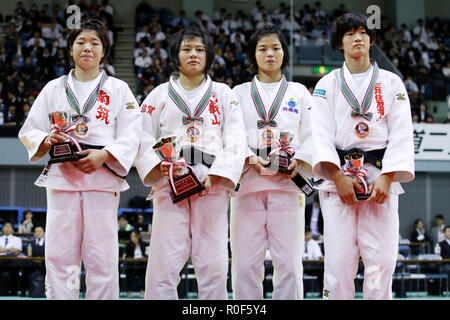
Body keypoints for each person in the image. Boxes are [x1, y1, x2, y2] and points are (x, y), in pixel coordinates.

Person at [18, 19, 141, 300]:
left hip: (102, 176)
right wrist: (46, 140)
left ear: (104, 50)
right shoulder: (54, 88)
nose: (87, 48)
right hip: (63, 178)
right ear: (71, 50)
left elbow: (134, 133)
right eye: (81, 42)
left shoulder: (119, 89)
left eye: (94, 43)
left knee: (102, 254)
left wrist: (105, 154)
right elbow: (30, 130)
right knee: (60, 253)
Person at [135, 25, 246, 300]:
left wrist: (219, 174)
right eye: (186, 49)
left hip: (211, 183)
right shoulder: (159, 94)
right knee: (163, 263)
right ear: (176, 55)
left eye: (200, 49)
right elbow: (140, 134)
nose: (193, 54)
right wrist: (156, 166)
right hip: (170, 181)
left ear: (209, 56)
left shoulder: (224, 93)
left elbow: (236, 137)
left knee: (214, 263)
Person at [311, 13, 415, 300]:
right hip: (339, 177)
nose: (357, 37)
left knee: (381, 261)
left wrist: (389, 175)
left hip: (380, 177)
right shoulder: (326, 85)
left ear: (371, 39)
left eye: (362, 32)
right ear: (339, 43)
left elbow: (402, 132)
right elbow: (319, 134)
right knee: (339, 262)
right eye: (349, 34)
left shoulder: (392, 83)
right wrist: (335, 176)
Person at [230, 25, 313, 300]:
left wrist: (299, 160)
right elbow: (228, 134)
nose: (270, 53)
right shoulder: (238, 93)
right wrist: (246, 156)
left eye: (275, 48)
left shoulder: (299, 92)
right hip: (247, 185)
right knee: (244, 264)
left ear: (284, 53)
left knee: (289, 263)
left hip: (287, 185)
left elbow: (314, 134)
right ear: (253, 55)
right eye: (262, 48)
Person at [0, 222, 22, 296]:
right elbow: (13, 250)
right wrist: (10, 249)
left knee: (14, 271)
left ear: (12, 230)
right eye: (5, 226)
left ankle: (13, 292)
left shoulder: (17, 239)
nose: (7, 228)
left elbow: (17, 251)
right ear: (2, 229)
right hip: (1, 261)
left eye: (9, 227)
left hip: (12, 261)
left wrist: (3, 249)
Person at [124, 230, 147, 298]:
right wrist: (134, 260)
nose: (132, 238)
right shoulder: (128, 245)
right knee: (128, 271)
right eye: (131, 236)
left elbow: (147, 255)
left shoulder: (144, 244)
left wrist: (141, 259)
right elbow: (126, 256)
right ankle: (128, 291)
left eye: (134, 236)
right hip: (131, 264)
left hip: (142, 264)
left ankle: (143, 291)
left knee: (144, 272)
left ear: (138, 236)